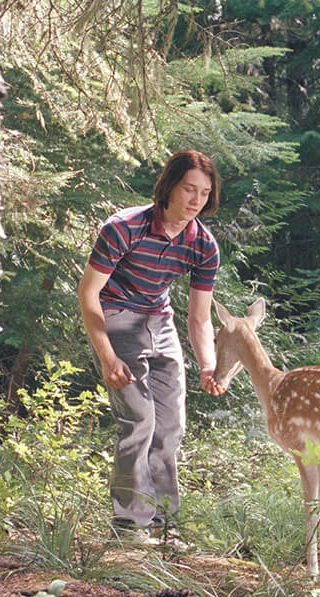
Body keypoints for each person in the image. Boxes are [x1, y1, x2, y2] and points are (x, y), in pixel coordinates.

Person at [77, 149, 226, 544]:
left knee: (171, 425)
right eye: (188, 189)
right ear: (168, 187)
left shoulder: (203, 245)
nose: (196, 200)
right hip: (117, 317)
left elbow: (199, 318)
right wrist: (107, 356)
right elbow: (89, 294)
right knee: (139, 418)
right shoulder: (124, 228)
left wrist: (207, 365)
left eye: (204, 193)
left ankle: (164, 526)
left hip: (161, 323)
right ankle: (130, 525)